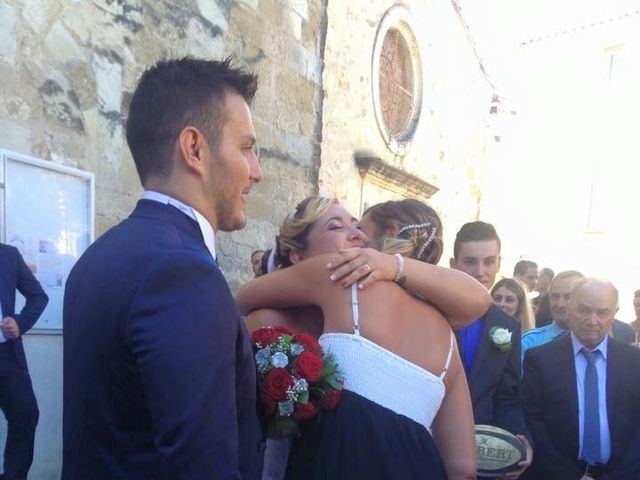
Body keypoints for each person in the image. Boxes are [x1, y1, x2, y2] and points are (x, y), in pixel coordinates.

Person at [62, 58, 264, 480]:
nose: (256, 171)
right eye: (246, 147)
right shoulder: (182, 273)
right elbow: (203, 466)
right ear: (194, 149)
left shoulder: (99, 256)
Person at [238, 196, 483, 480]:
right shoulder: (447, 337)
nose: (357, 236)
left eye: (360, 227)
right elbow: (463, 469)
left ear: (386, 238)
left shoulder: (343, 275)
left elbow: (241, 299)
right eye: (338, 227)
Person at [521, 278, 640, 479]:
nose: (592, 320)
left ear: (614, 313)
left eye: (602, 312)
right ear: (570, 308)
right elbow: (532, 421)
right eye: (584, 310)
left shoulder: (634, 362)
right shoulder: (541, 359)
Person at [448, 221, 533, 479]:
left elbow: (506, 396)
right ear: (454, 264)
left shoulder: (507, 325)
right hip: (429, 443)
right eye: (471, 261)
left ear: (499, 262)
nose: (480, 271)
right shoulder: (431, 312)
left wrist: (521, 438)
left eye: (489, 262)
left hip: (480, 455)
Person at [0, 243, 48, 480]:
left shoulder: (7, 255)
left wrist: (20, 322)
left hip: (6, 355)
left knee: (26, 415)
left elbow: (38, 297)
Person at [521, 270, 585, 363]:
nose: (560, 304)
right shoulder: (530, 342)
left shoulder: (594, 342)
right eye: (555, 296)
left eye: (568, 297)